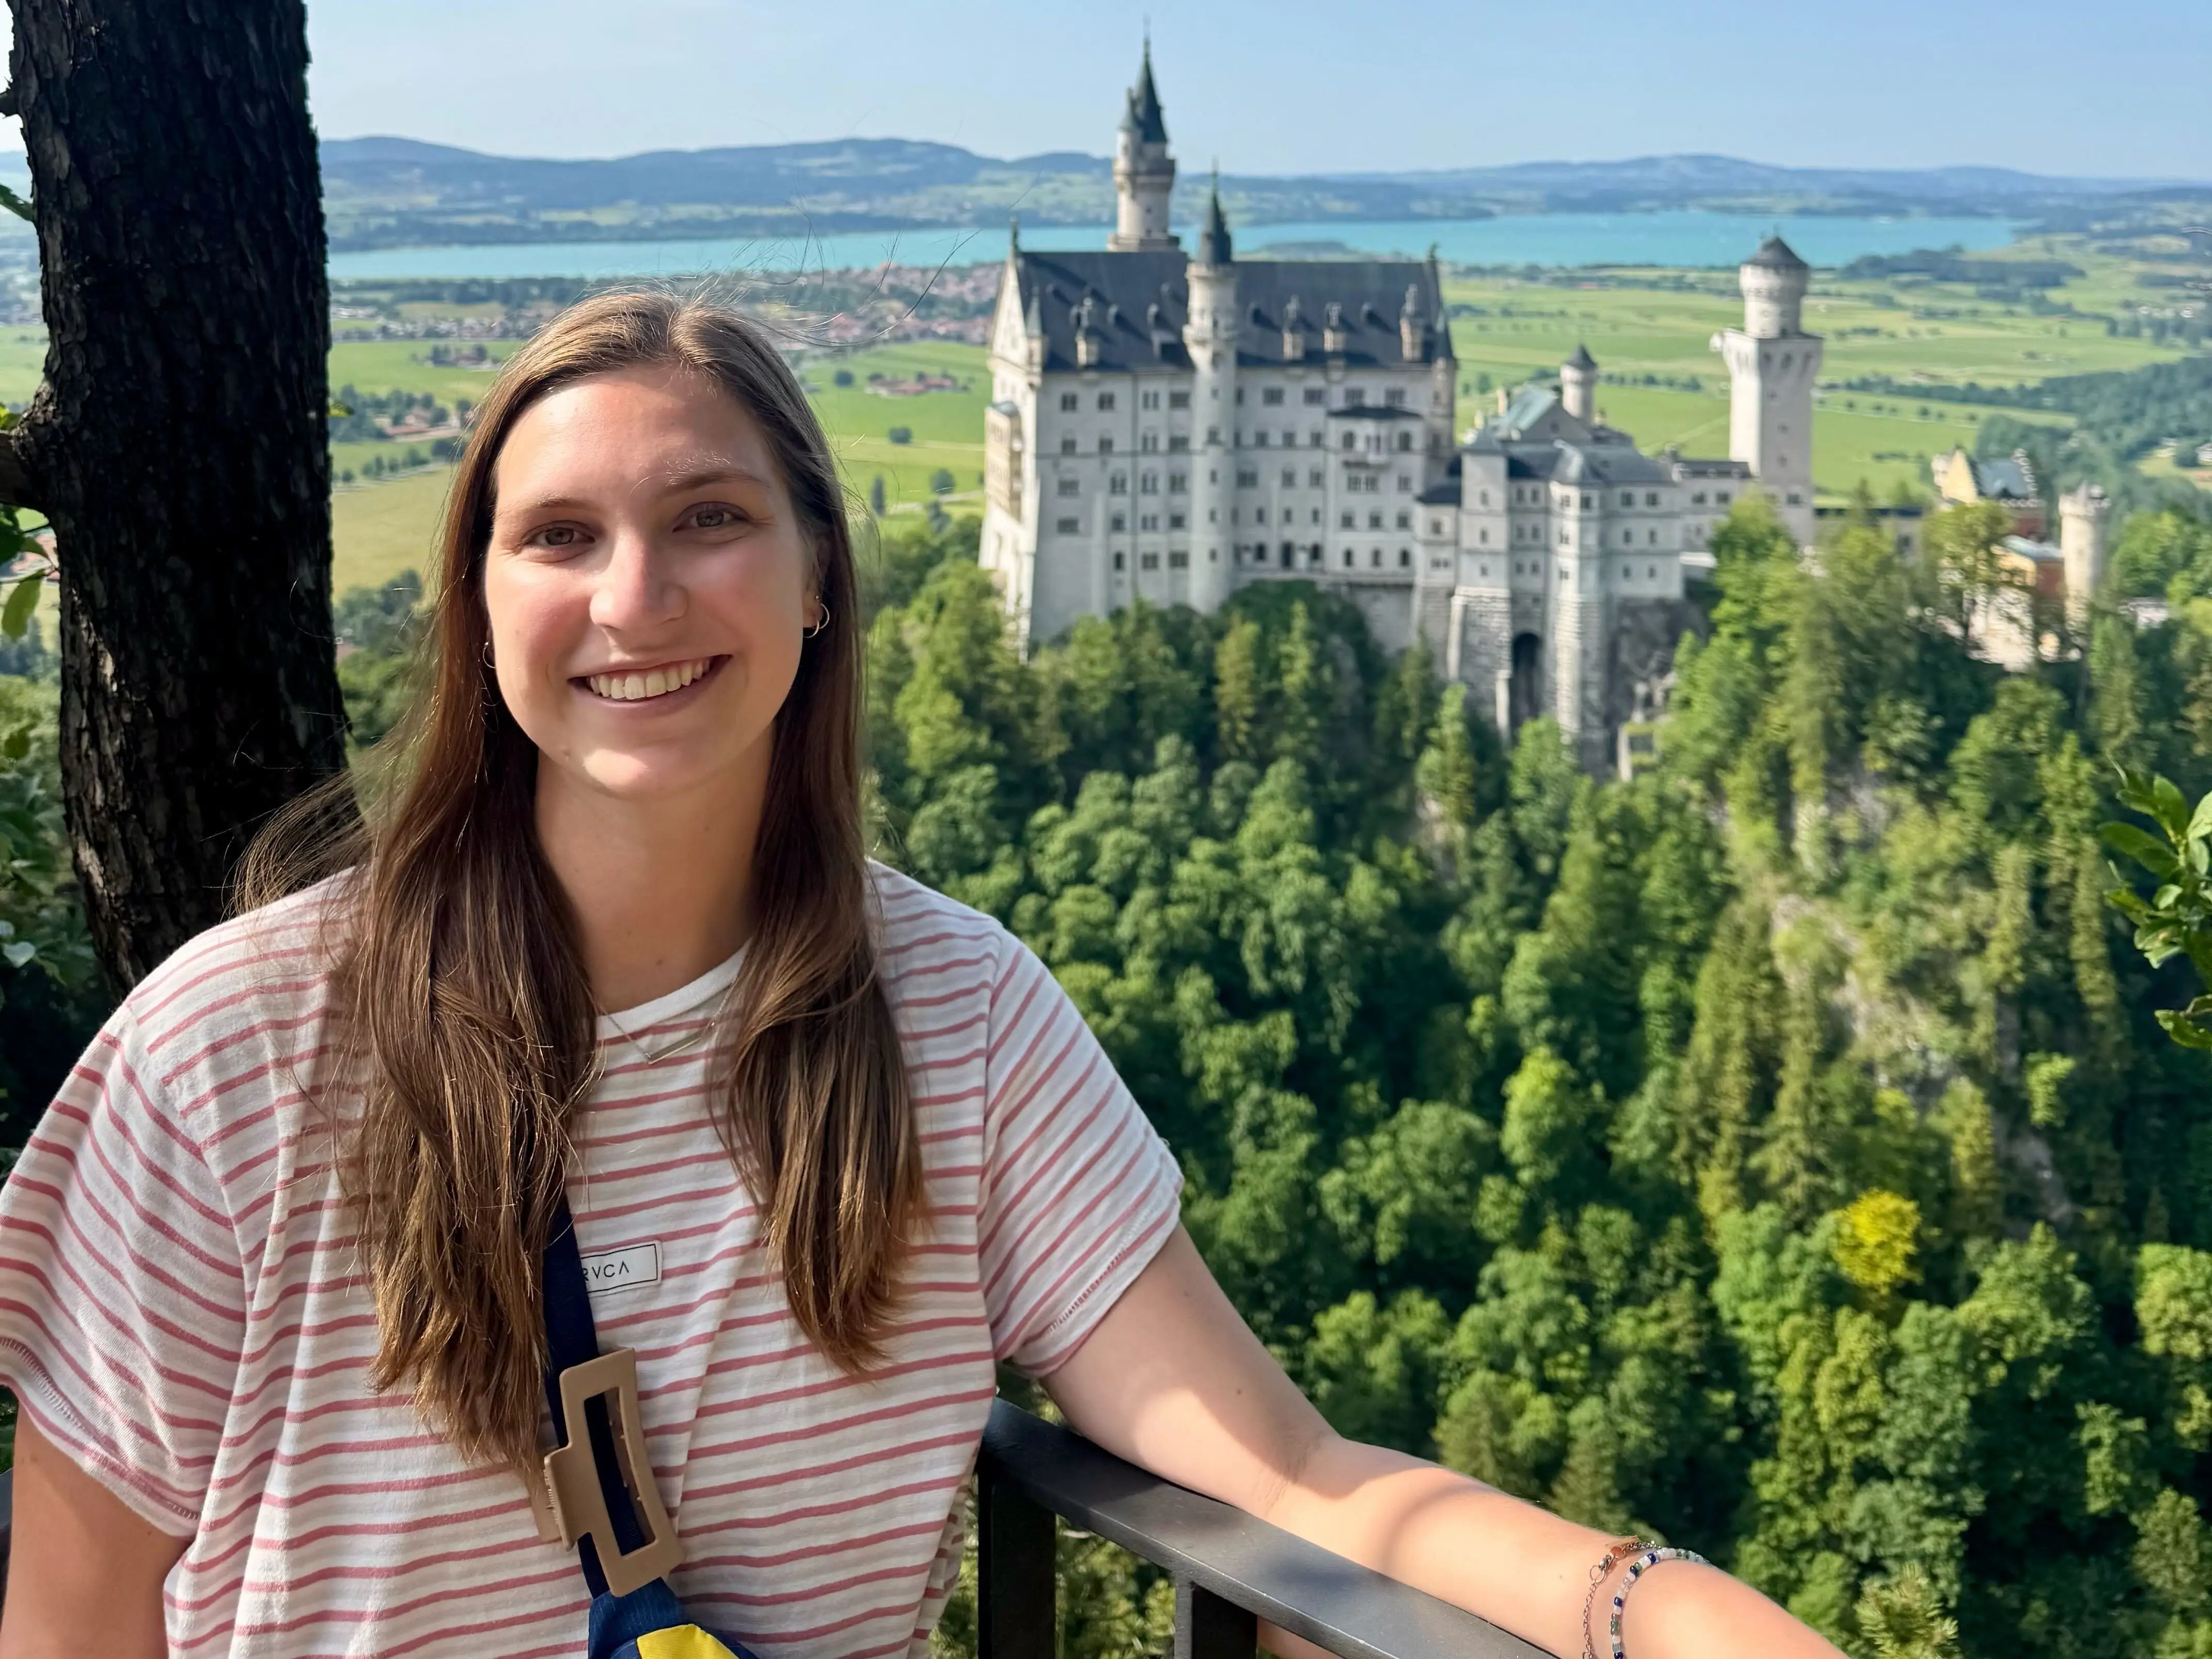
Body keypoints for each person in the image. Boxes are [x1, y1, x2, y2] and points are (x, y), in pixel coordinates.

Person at [0, 292, 1840, 1659]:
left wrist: (1651, 1605)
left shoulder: (957, 1027)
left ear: (819, 580)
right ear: (479, 608)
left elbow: (1287, 1475)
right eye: (559, 535)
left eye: (710, 517)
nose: (635, 595)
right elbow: (78, 1613)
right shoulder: (231, 1054)